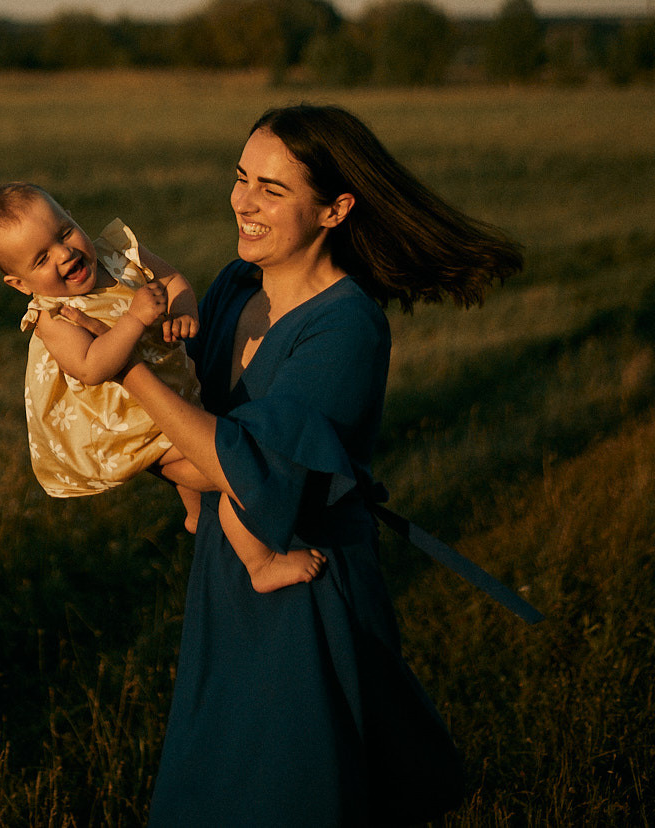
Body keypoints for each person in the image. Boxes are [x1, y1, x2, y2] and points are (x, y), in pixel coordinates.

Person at [59, 105, 524, 828]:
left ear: (336, 209)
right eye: (242, 178)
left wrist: (117, 374)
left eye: (272, 189)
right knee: (213, 783)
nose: (243, 201)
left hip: (308, 580)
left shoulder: (347, 325)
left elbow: (239, 461)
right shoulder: (233, 288)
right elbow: (184, 439)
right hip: (226, 574)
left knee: (298, 788)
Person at [0, 183, 327, 590]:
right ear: (20, 283)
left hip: (170, 393)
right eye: (42, 258)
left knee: (202, 458)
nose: (64, 254)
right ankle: (260, 564)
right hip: (132, 424)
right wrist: (134, 321)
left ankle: (195, 514)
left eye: (64, 232)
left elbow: (173, 280)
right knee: (230, 472)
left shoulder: (118, 255)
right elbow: (91, 367)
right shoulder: (54, 317)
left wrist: (182, 311)